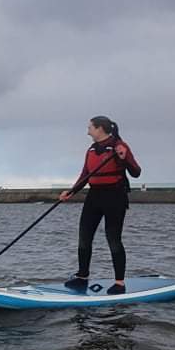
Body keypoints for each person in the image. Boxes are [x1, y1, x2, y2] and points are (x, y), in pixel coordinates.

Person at [59, 116, 141, 294]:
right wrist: (71, 191)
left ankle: (119, 283)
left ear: (100, 129)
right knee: (84, 237)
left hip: (115, 196)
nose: (88, 131)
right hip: (94, 196)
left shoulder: (120, 146)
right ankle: (82, 278)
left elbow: (136, 172)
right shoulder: (91, 150)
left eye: (90, 127)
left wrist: (124, 157)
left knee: (113, 239)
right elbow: (85, 175)